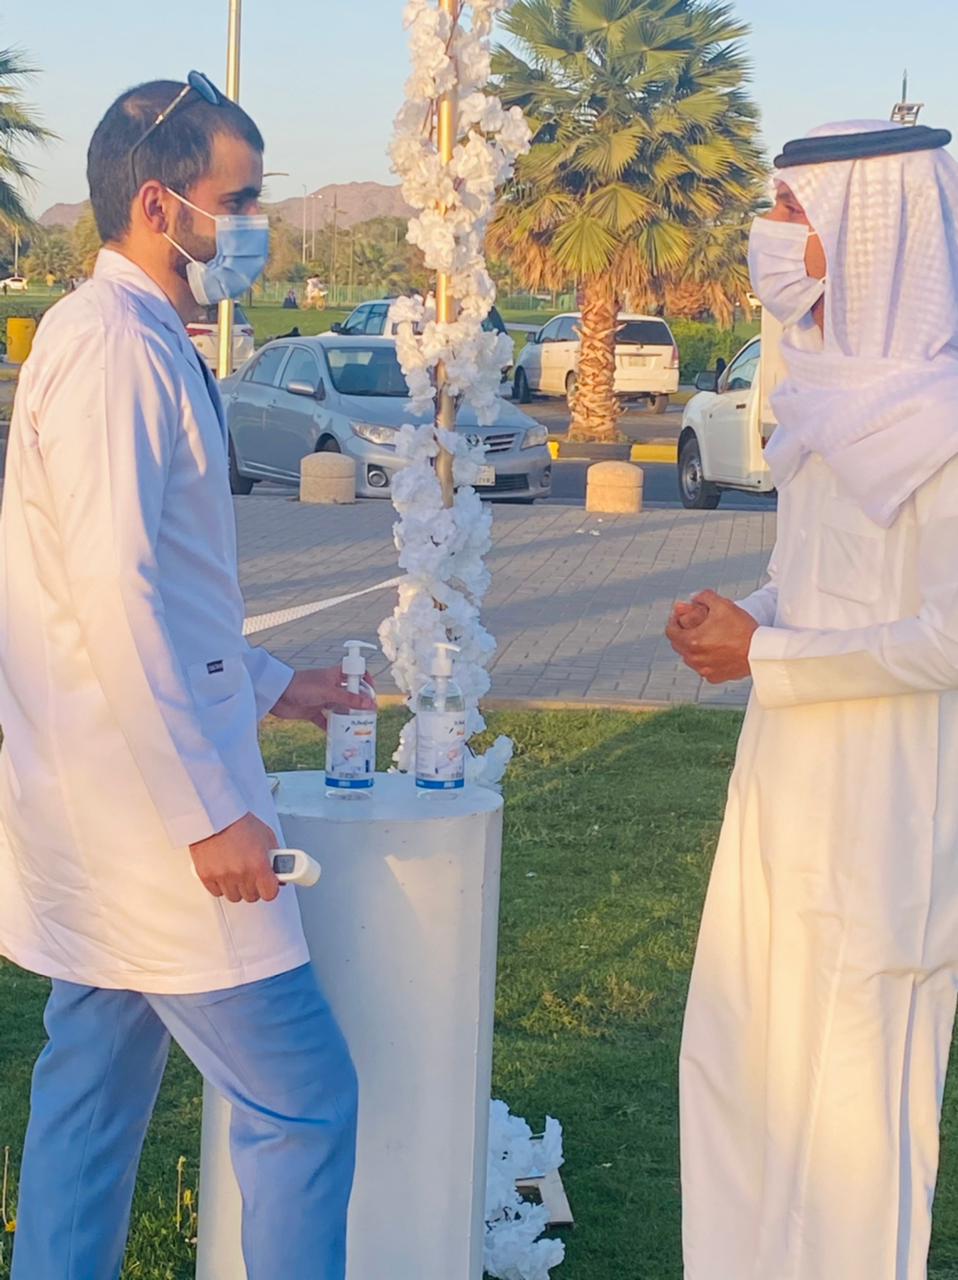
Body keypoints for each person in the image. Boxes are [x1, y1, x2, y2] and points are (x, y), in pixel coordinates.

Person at [0, 75, 366, 1280]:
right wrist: (208, 810)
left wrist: (271, 682)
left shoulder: (133, 336)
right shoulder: (113, 349)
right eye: (239, 200)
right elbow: (113, 599)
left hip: (108, 808)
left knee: (91, 1099)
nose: (254, 225)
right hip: (151, 821)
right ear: (160, 205)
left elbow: (161, 591)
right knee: (304, 1102)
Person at [668, 119, 958, 1280]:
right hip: (783, 782)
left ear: (870, 229)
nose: (770, 232)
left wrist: (768, 654)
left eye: (792, 210)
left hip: (888, 801)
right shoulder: (825, 394)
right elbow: (813, 579)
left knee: (853, 1094)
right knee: (743, 1055)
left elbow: (948, 636)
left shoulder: (941, 422)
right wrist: (739, 614)